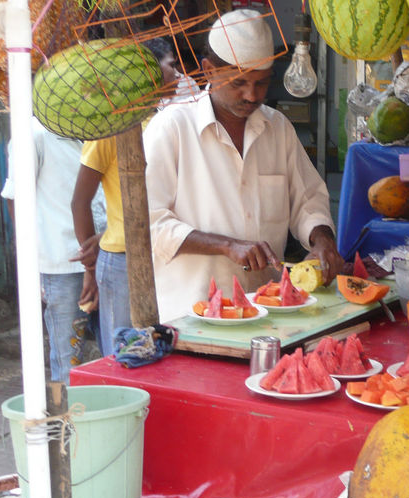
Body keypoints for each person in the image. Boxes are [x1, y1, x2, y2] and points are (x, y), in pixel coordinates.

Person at [144, 9, 342, 323]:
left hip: (268, 313)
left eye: (261, 83)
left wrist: (322, 240)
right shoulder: (171, 128)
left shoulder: (278, 128)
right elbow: (148, 224)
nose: (251, 95)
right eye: (239, 82)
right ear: (209, 71)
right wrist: (226, 246)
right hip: (191, 316)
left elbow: (308, 199)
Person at [72, 38, 183, 356]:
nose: (178, 73)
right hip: (121, 260)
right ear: (148, 70)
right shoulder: (112, 128)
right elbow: (79, 201)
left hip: (168, 254)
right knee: (124, 356)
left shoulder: (172, 124)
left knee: (161, 353)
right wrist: (91, 267)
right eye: (171, 65)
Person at [1, 121, 106, 383]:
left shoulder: (99, 129)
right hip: (62, 264)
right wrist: (31, 261)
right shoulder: (34, 135)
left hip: (107, 257)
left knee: (115, 353)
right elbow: (15, 199)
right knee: (67, 360)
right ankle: (62, 409)